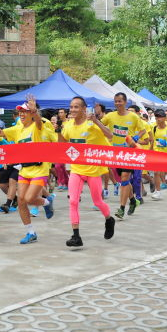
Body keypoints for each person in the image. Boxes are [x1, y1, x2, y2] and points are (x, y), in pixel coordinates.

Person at [0, 96, 55, 244]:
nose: (21, 114)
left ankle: (47, 202)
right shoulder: (17, 129)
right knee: (21, 201)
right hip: (24, 170)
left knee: (29, 199)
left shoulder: (39, 126)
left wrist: (35, 112)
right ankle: (30, 232)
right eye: (19, 111)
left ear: (31, 114)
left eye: (25, 111)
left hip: (39, 169)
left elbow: (39, 122)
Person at [58, 96, 117, 248]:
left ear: (84, 109)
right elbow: (62, 144)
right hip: (76, 169)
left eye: (76, 107)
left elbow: (110, 135)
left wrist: (97, 121)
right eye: (71, 107)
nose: (72, 109)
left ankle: (109, 219)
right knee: (73, 201)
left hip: (93, 170)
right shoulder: (68, 125)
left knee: (97, 201)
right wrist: (58, 130)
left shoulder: (91, 124)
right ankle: (76, 236)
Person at [101, 92, 147, 219]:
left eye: (120, 101)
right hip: (115, 153)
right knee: (124, 181)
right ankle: (133, 200)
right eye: (116, 101)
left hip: (128, 153)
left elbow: (143, 129)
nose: (117, 103)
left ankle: (121, 208)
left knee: (125, 178)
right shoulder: (110, 116)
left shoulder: (133, 116)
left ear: (125, 102)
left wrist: (136, 137)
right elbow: (99, 125)